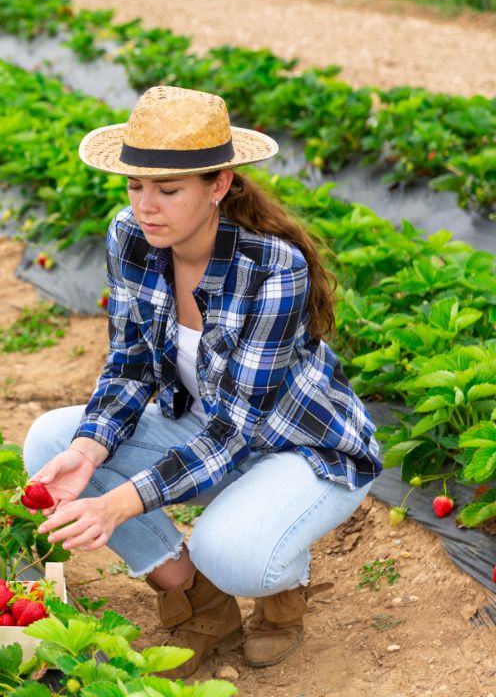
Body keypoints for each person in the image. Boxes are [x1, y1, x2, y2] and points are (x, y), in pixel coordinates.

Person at [24, 86, 382, 678]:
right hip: (202, 424)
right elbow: (131, 363)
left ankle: (281, 594)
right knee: (53, 443)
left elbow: (236, 429)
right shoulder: (131, 236)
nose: (146, 206)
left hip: (299, 447)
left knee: (232, 551)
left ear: (218, 185)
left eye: (167, 189)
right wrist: (89, 450)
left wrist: (119, 502)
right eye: (135, 185)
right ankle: (202, 604)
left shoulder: (272, 267)